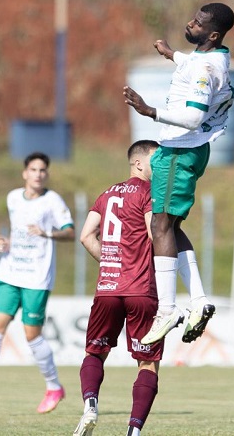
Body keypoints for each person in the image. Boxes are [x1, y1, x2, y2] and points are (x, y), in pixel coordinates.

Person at [122, 2, 234, 346]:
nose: (190, 23)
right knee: (171, 226)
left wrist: (149, 111)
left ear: (212, 34)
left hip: (180, 149)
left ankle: (168, 309)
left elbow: (192, 117)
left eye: (198, 23)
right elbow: (195, 64)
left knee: (159, 226)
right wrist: (172, 55)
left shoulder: (205, 69)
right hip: (189, 150)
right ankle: (199, 301)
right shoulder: (212, 56)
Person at [0, 152, 75, 413]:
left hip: (36, 277)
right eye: (33, 169)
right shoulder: (12, 198)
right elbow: (15, 231)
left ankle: (54, 386)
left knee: (32, 335)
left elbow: (70, 232)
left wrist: (47, 233)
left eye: (42, 170)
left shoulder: (52, 201)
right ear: (25, 173)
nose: (38, 174)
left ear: (47, 174)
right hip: (10, 272)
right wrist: (6, 243)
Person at [74, 140, 162, 436]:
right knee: (147, 362)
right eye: (155, 158)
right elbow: (155, 235)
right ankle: (134, 431)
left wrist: (111, 261)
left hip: (107, 290)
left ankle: (90, 404)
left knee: (94, 353)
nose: (160, 163)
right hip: (140, 290)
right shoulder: (148, 193)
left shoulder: (106, 193)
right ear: (138, 163)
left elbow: (86, 235)